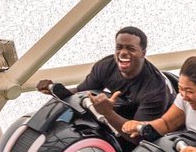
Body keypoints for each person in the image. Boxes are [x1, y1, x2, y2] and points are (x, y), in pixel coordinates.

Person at [36, 26, 174, 135]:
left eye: (131, 49)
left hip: (159, 123)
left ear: (143, 53)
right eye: (119, 47)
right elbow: (80, 92)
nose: (123, 53)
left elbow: (137, 137)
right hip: (128, 110)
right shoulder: (106, 66)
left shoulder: (155, 90)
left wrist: (107, 113)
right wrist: (54, 90)